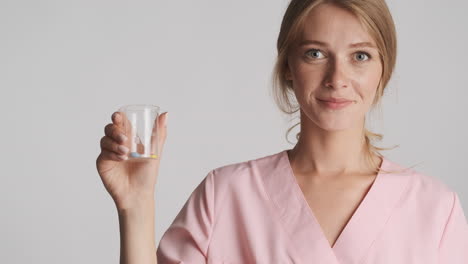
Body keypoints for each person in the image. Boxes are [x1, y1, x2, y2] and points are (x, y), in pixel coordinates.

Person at [96, 0, 468, 263]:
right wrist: (137, 205)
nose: (337, 79)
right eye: (315, 53)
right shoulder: (226, 196)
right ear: (288, 65)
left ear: (383, 70)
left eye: (360, 56)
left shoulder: (436, 209)